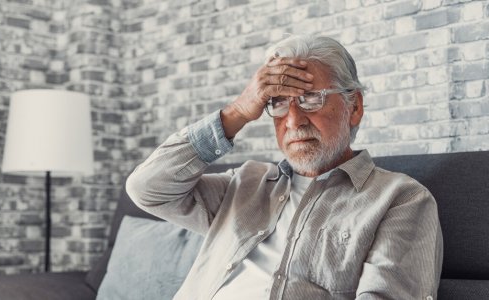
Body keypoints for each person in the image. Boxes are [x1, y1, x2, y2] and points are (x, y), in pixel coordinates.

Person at [126, 35, 443, 300]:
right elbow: (146, 189)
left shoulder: (401, 200)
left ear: (355, 106)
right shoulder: (244, 184)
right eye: (276, 102)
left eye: (310, 98)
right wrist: (236, 112)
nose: (293, 121)